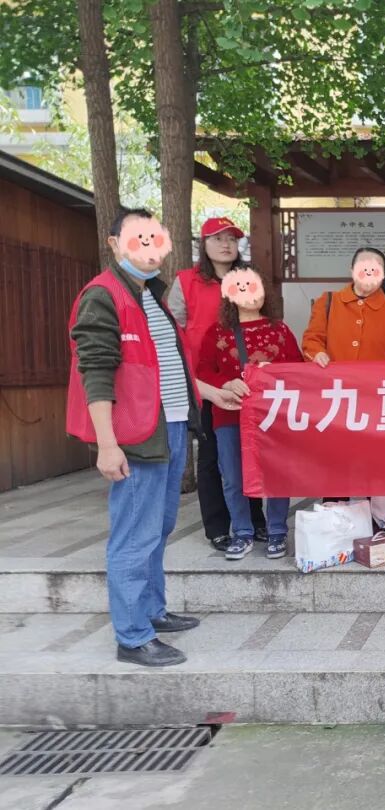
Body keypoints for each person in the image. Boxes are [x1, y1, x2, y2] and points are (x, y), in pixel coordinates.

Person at [68, 207, 241, 667]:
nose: (149, 248)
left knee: (158, 527)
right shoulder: (103, 296)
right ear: (114, 244)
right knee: (134, 533)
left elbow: (168, 368)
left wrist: (212, 393)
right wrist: (107, 445)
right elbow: (95, 371)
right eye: (138, 238)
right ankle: (132, 636)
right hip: (136, 433)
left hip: (171, 425)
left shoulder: (154, 296)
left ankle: (151, 610)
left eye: (156, 239)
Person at [168, 217, 266, 552]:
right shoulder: (187, 282)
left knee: (250, 453)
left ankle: (255, 521)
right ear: (203, 244)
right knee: (211, 457)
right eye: (217, 238)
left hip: (247, 382)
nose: (226, 244)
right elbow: (172, 331)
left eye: (232, 239)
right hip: (206, 381)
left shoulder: (247, 277)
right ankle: (218, 527)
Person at [197, 268, 302, 561]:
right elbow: (203, 370)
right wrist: (225, 384)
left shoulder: (280, 330)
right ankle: (242, 532)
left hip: (274, 416)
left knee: (277, 474)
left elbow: (298, 367)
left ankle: (277, 530)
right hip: (229, 414)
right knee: (232, 476)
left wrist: (276, 372)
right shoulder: (216, 332)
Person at [302, 247, 385, 364]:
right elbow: (311, 340)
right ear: (352, 270)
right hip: (333, 376)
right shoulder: (327, 301)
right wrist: (318, 353)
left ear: (383, 275)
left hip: (375, 377)